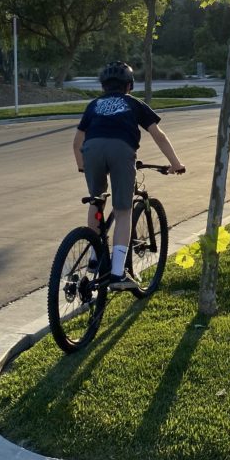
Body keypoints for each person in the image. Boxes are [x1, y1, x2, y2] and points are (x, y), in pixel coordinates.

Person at [72, 61, 185, 290]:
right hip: (121, 150)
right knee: (123, 211)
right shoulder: (134, 103)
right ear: (129, 86)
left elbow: (76, 143)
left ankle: (95, 256)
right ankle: (117, 275)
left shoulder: (93, 105)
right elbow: (158, 135)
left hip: (91, 150)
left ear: (103, 87)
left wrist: (83, 166)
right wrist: (175, 163)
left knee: (97, 200)